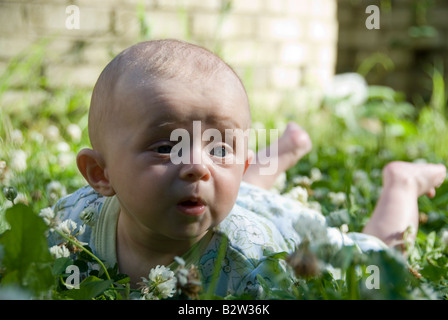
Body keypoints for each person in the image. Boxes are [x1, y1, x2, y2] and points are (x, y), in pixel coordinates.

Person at [48, 39, 446, 298]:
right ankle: (281, 152)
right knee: (221, 188)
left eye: (220, 147)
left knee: (381, 260)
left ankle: (402, 182)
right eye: (167, 146)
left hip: (269, 222)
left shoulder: (257, 262)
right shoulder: (71, 228)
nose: (196, 165)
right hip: (231, 199)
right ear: (100, 175)